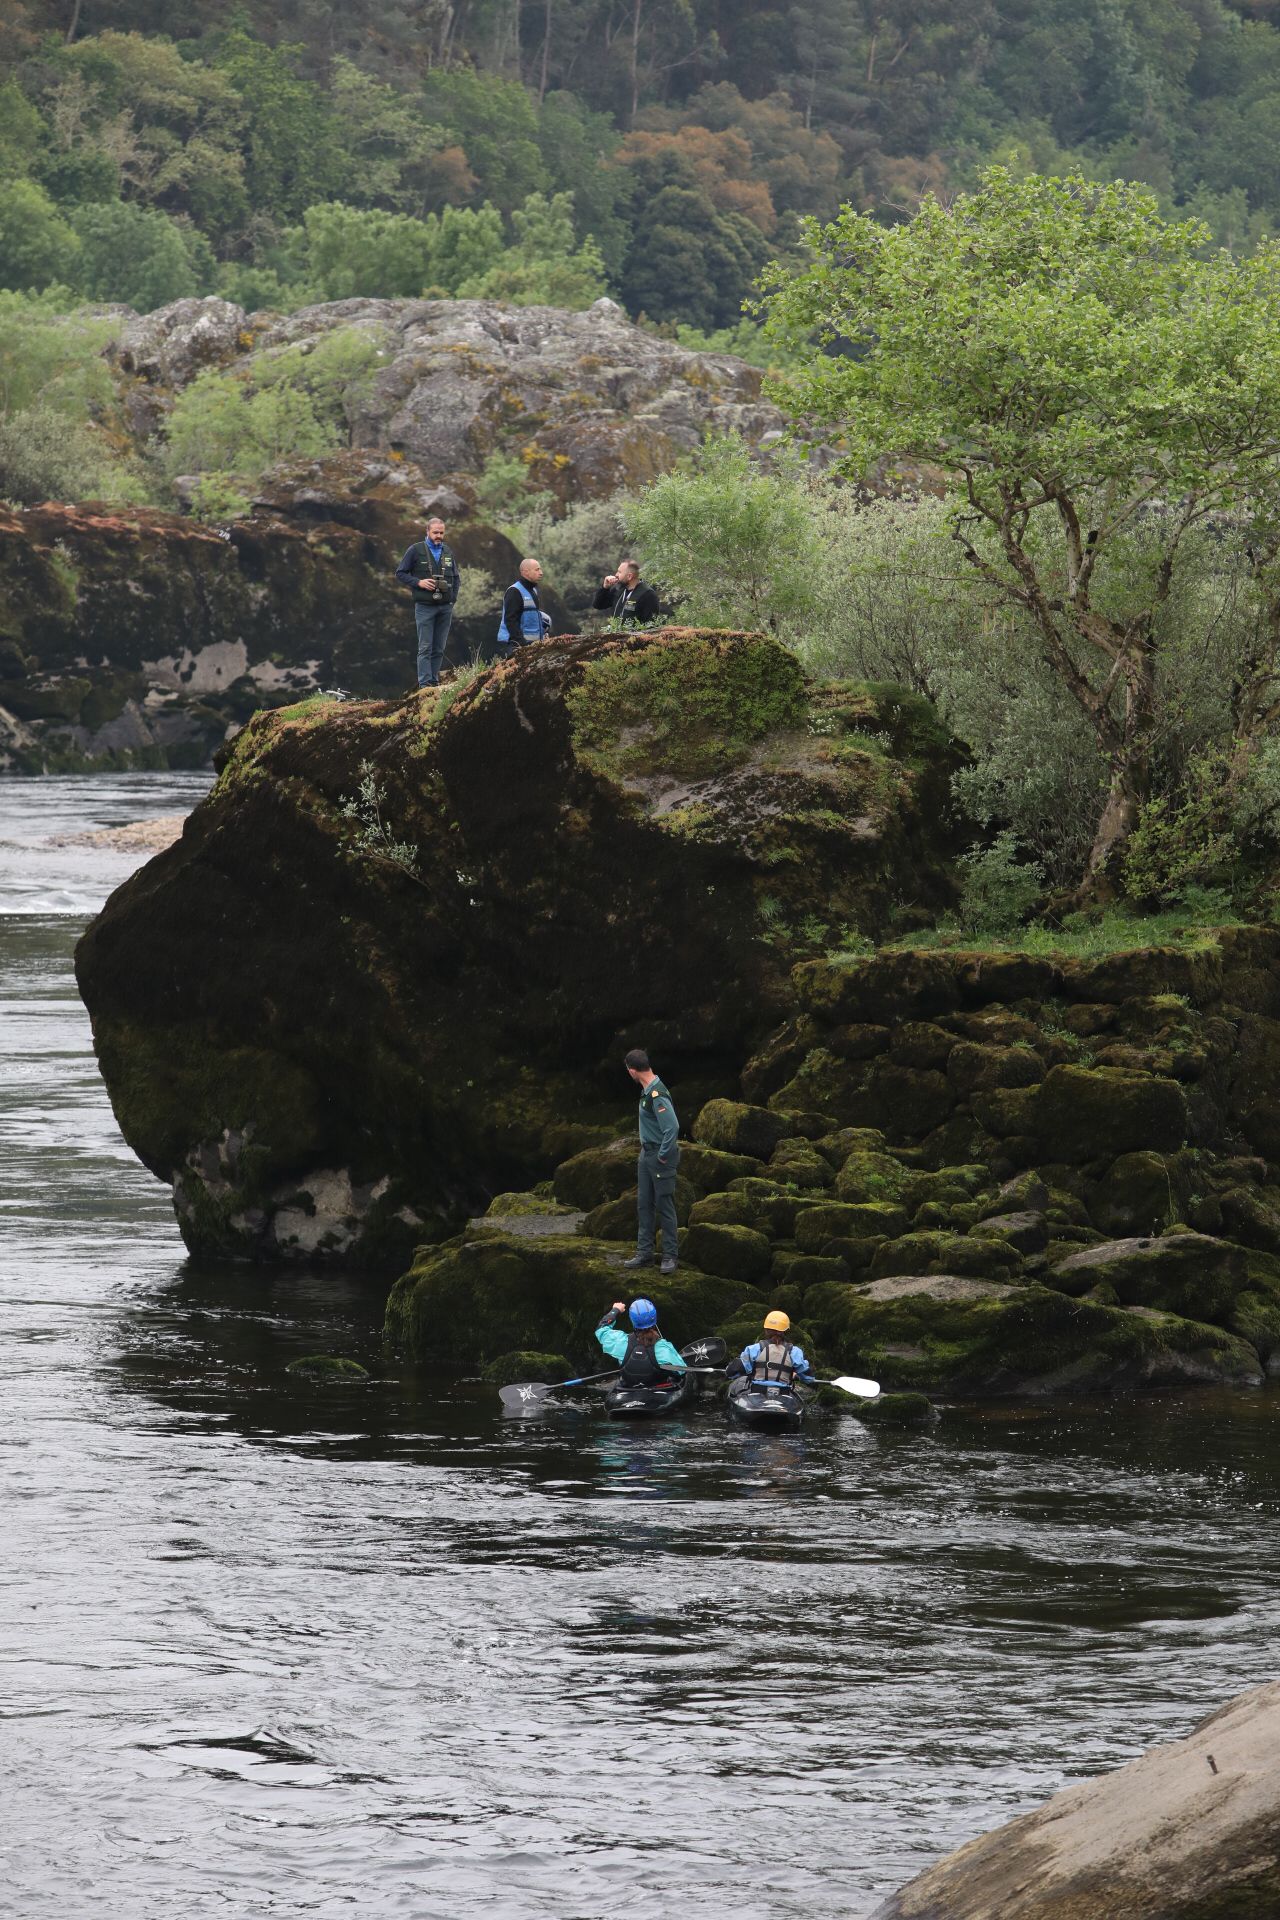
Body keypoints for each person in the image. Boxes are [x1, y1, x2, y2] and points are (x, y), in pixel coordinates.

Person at [623, 1046, 680, 1274]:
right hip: (645, 1154)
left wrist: (664, 1154)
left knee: (665, 1205)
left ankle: (670, 1256)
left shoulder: (658, 1093)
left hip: (659, 1155)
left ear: (632, 1070)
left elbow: (672, 1127)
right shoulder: (647, 1091)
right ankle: (644, 1253)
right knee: (644, 1204)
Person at [395, 515, 461, 690]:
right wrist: (419, 582)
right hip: (425, 607)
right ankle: (425, 685)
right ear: (427, 532)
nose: (438, 535)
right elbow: (400, 573)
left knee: (439, 647)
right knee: (425, 647)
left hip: (445, 607)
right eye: (435, 532)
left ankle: (434, 681)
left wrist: (452, 599)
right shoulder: (415, 550)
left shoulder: (448, 551)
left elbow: (456, 577)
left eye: (441, 533)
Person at [596, 1298, 688, 1386]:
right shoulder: (664, 1348)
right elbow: (682, 1371)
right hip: (657, 1392)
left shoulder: (620, 1341)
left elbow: (601, 1329)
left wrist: (615, 1310)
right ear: (654, 1318)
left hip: (629, 1391)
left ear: (632, 1320)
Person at [729, 1311, 817, 1388]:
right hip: (784, 1394)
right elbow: (809, 1378)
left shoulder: (754, 1349)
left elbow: (733, 1372)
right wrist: (797, 1376)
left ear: (766, 1330)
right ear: (785, 1330)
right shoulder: (794, 1352)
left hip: (758, 1392)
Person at [496, 557, 552, 660]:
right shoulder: (514, 591)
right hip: (517, 646)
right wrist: (521, 645)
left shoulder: (533, 591)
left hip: (533, 645)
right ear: (526, 572)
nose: (541, 573)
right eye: (537, 569)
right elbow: (510, 620)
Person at [593, 558, 660, 628]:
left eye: (619, 572)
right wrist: (605, 587)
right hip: (616, 637)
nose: (616, 574)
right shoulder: (618, 589)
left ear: (629, 576)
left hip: (634, 638)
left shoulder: (648, 595)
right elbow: (598, 605)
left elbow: (651, 626)